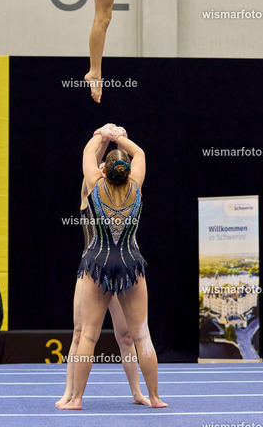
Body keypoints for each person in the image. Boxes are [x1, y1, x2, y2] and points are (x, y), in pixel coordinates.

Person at [59, 124, 168, 410]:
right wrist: (120, 137)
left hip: (98, 263)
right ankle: (155, 397)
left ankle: (77, 398)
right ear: (128, 171)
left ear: (103, 171)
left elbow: (88, 151)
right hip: (130, 264)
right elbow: (140, 153)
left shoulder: (94, 185)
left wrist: (101, 133)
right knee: (142, 335)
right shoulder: (136, 186)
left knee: (89, 335)